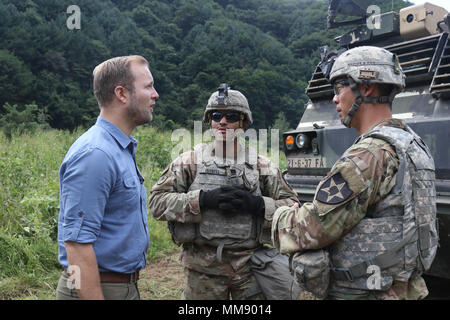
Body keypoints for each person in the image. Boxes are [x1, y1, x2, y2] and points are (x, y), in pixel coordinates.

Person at [272, 46, 438, 300]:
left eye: (339, 88)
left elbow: (313, 228)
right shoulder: (412, 144)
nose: (335, 99)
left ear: (366, 88)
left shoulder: (368, 154)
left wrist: (280, 215)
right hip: (400, 287)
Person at [148, 84, 298, 300]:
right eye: (217, 115)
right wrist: (202, 200)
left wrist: (257, 205)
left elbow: (293, 208)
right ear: (209, 122)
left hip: (250, 268)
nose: (223, 122)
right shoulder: (190, 162)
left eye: (232, 116)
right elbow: (157, 203)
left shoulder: (261, 165)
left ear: (244, 122)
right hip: (203, 271)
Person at [56, 55, 159, 300]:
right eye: (148, 86)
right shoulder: (96, 155)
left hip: (118, 286)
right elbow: (77, 245)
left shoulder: (117, 149)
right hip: (96, 288)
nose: (155, 94)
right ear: (122, 94)